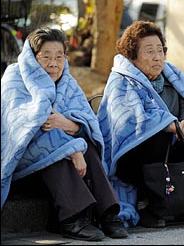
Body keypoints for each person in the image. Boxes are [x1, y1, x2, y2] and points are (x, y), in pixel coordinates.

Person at [97, 21, 184, 228]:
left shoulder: (171, 75)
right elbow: (128, 121)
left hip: (171, 146)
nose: (157, 57)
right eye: (149, 51)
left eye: (160, 50)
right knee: (158, 140)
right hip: (130, 156)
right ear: (132, 56)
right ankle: (155, 207)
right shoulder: (121, 80)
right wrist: (169, 125)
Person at [1, 28, 128, 241]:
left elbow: (88, 123)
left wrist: (70, 125)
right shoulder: (15, 78)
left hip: (64, 160)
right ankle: (72, 219)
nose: (53, 63)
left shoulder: (68, 81)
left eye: (59, 56)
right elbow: (24, 129)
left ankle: (107, 214)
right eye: (46, 57)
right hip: (23, 164)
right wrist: (73, 149)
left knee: (88, 146)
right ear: (32, 58)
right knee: (58, 155)